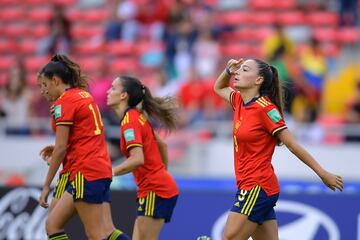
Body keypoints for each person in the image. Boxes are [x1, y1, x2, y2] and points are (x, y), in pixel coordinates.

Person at [213, 58, 344, 240]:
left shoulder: (266, 109)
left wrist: (322, 173)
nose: (237, 73)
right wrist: (227, 70)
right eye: (238, 70)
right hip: (252, 185)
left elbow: (292, 144)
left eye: (244, 70)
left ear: (258, 80)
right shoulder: (239, 101)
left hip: (256, 186)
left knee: (230, 237)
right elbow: (218, 87)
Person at [37, 54, 129, 240]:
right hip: (98, 168)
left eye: (44, 85)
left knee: (93, 234)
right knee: (57, 225)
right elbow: (82, 137)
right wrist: (57, 149)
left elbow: (62, 147)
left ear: (55, 80)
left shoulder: (65, 102)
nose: (42, 91)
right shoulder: (83, 95)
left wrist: (46, 185)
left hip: (83, 172)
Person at [107, 75, 179, 240]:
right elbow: (162, 144)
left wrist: (109, 172)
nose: (108, 91)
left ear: (123, 95)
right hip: (155, 187)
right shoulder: (136, 117)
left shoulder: (130, 120)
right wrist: (162, 173)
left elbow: (137, 159)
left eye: (113, 88)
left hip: (155, 189)